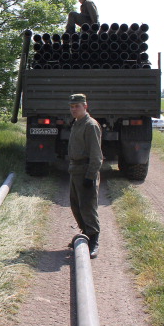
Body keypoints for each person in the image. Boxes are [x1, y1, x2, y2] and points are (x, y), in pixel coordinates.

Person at [68, 94, 102, 258]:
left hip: (86, 169)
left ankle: (94, 240)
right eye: (72, 106)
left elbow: (96, 155)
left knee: (88, 207)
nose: (74, 109)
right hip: (75, 170)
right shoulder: (76, 124)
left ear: (85, 106)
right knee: (76, 205)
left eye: (77, 106)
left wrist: (90, 176)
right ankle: (85, 234)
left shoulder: (90, 125)